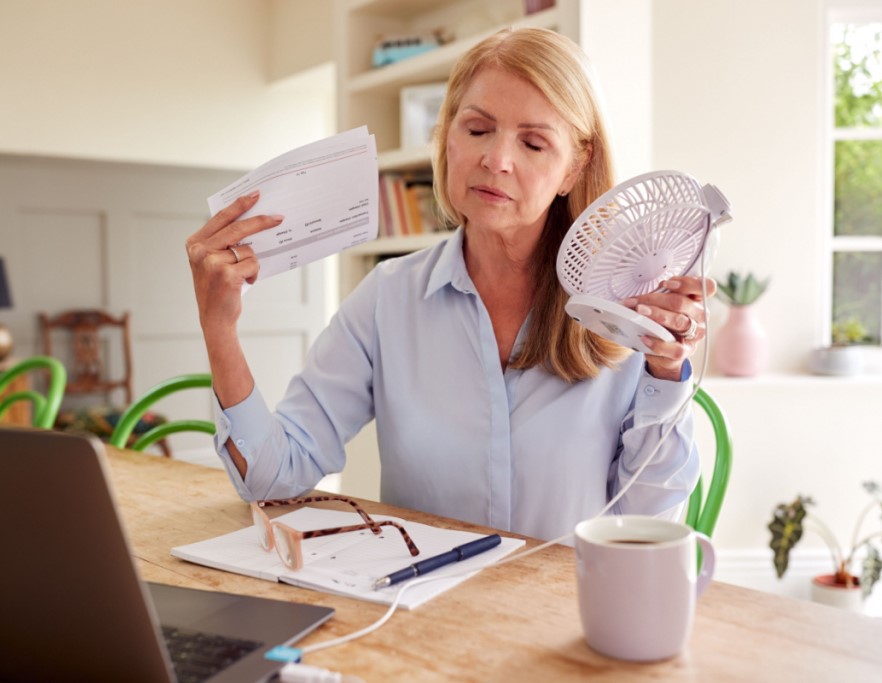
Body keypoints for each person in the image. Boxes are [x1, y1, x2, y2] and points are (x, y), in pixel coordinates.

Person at [186, 27, 715, 542]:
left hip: (567, 614)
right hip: (426, 617)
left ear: (576, 168)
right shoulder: (387, 298)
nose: (495, 160)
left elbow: (650, 519)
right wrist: (220, 326)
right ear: (447, 137)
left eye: (533, 143)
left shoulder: (621, 308)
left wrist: (665, 373)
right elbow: (273, 477)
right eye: (477, 129)